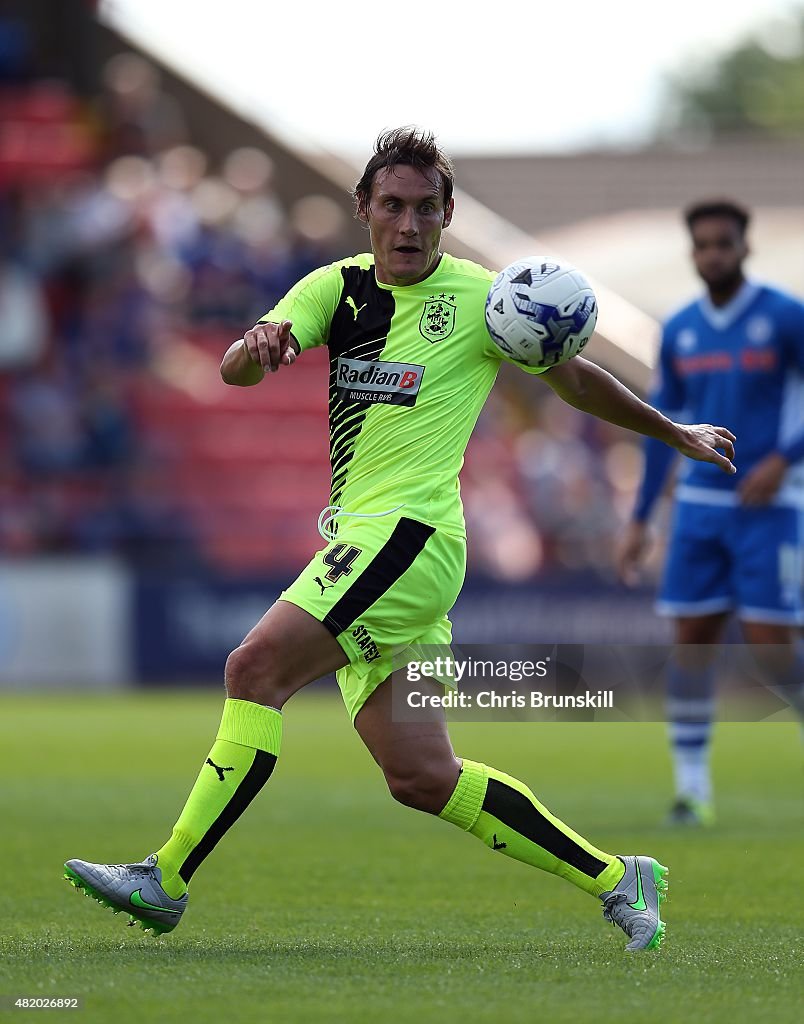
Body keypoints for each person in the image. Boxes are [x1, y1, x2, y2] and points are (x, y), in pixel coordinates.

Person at [64, 129, 738, 952]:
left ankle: (165, 878)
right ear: (365, 210)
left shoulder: (487, 300)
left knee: (254, 667)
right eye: (393, 206)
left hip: (410, 538)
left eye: (426, 208)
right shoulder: (333, 290)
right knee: (420, 776)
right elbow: (238, 370)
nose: (410, 224)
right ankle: (616, 877)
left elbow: (572, 377)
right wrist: (255, 349)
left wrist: (672, 431)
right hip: (378, 544)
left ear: (448, 214)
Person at [618, 199, 804, 826]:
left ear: (745, 248)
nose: (713, 255)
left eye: (724, 244)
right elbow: (658, 427)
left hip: (770, 505)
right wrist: (641, 518)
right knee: (691, 642)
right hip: (698, 509)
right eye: (703, 246)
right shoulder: (679, 329)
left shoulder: (785, 317)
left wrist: (785, 457)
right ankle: (691, 791)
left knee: (773, 647)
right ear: (692, 252)